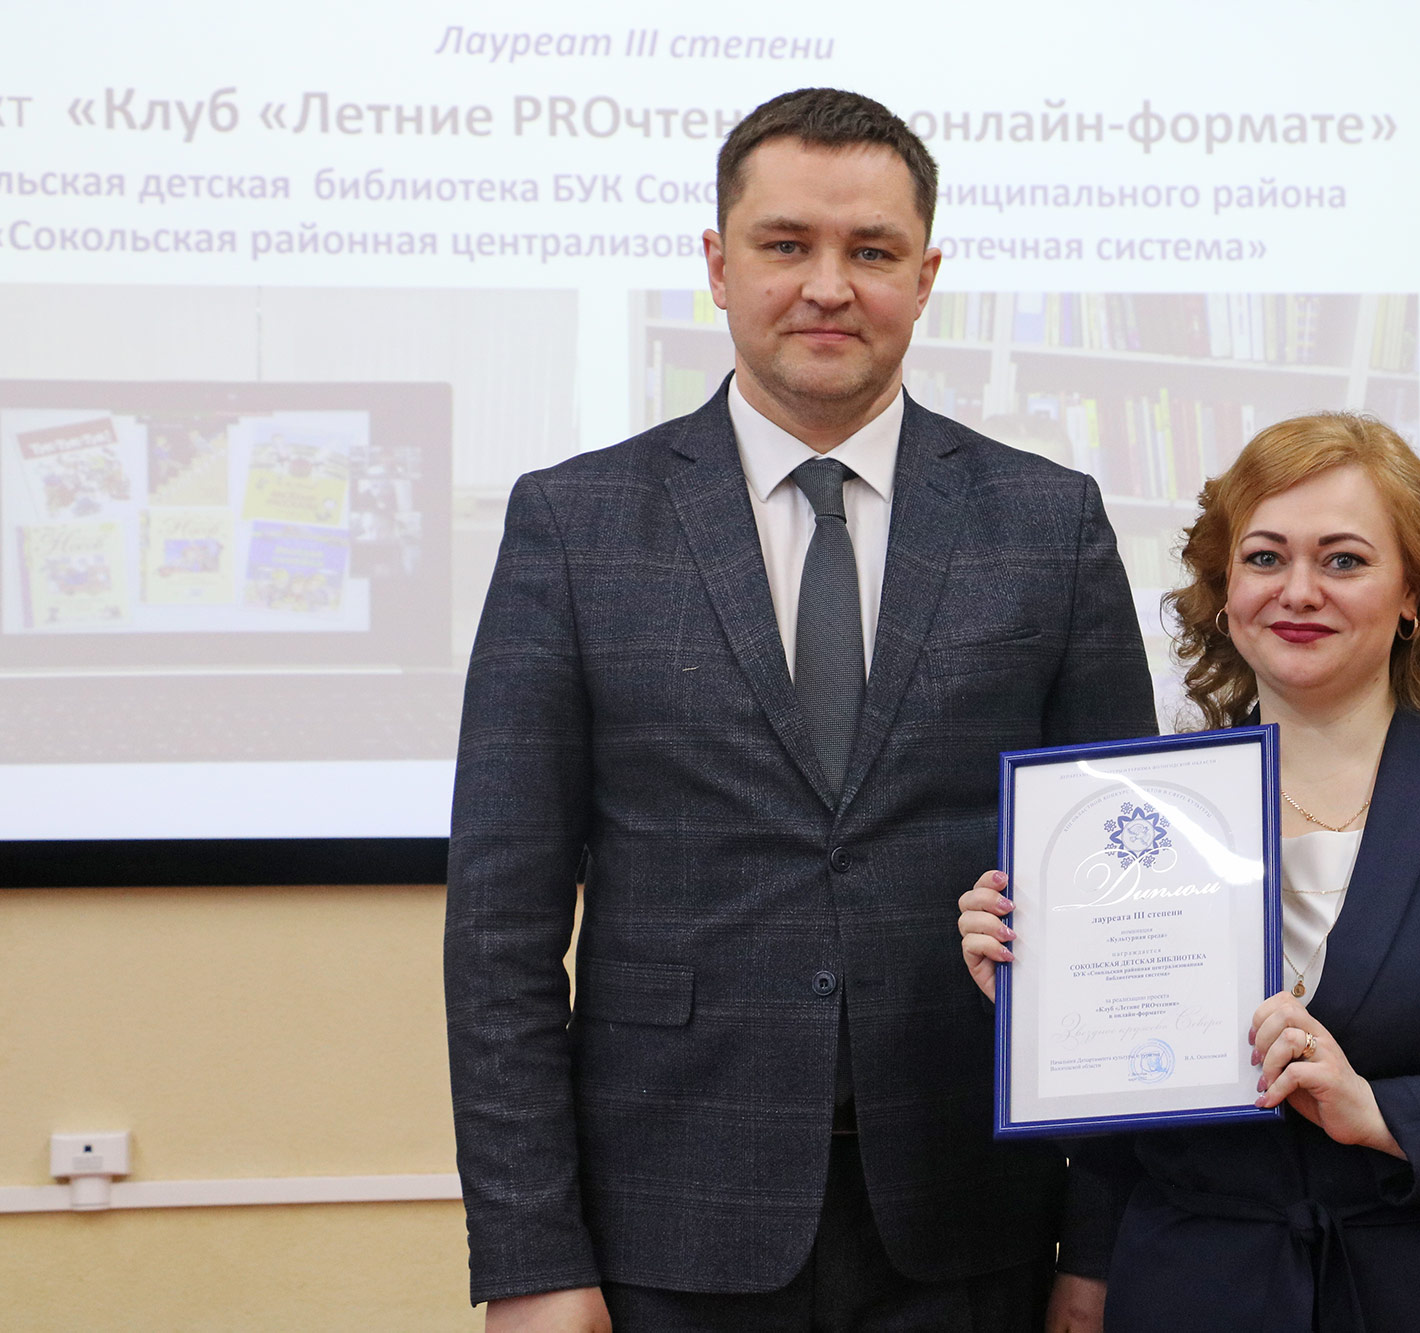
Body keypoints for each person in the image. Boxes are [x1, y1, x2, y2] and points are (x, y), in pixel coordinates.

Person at [446, 87, 1154, 1332]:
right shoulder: (573, 525)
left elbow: (1121, 916)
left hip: (970, 1219)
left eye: (871, 252)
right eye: (786, 245)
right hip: (663, 1223)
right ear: (718, 266)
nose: (828, 286)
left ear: (924, 279)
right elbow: (501, 930)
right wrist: (530, 1255)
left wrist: (1099, 1248)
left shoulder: (1049, 525)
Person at [959, 413, 1420, 1330]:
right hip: (1195, 1295)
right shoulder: (1140, 815)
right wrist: (1035, 990)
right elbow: (1124, 1117)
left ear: (1413, 595)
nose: (1298, 591)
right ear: (1224, 594)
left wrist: (1387, 1113)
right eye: (1264, 558)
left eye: (1343, 560)